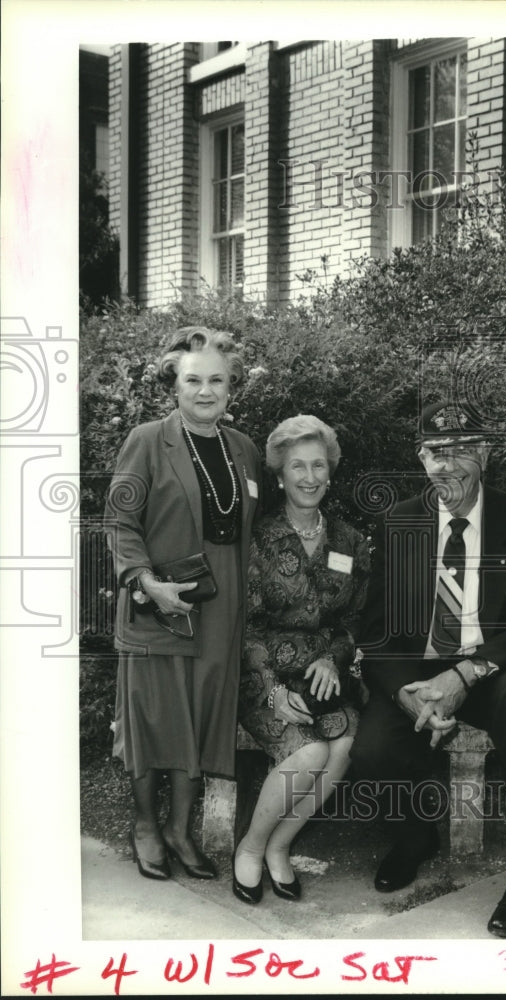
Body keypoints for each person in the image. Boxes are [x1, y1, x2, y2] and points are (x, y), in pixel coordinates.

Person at [354, 400, 506, 938]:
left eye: (462, 451)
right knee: (370, 750)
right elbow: (374, 633)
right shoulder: (398, 520)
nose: (448, 465)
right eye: (435, 453)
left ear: (484, 454)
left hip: (488, 669)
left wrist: (466, 675)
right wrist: (407, 693)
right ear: (421, 460)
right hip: (418, 669)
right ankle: (415, 836)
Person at [105, 326, 262, 881]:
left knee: (200, 716)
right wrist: (145, 582)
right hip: (157, 601)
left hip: (220, 607)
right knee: (153, 717)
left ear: (231, 387)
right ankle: (146, 825)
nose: (205, 390)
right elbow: (122, 522)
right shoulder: (147, 440)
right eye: (193, 379)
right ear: (174, 383)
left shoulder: (242, 447)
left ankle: (179, 828)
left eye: (216, 380)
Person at [233, 415, 370, 905]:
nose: (309, 476)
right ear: (280, 475)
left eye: (318, 465)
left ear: (329, 473)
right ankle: (250, 849)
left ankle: (280, 847)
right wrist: (271, 687)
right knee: (309, 751)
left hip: (321, 675)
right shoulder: (259, 539)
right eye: (298, 466)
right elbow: (245, 626)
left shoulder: (350, 542)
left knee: (345, 741)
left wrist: (335, 658)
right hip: (262, 672)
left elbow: (355, 620)